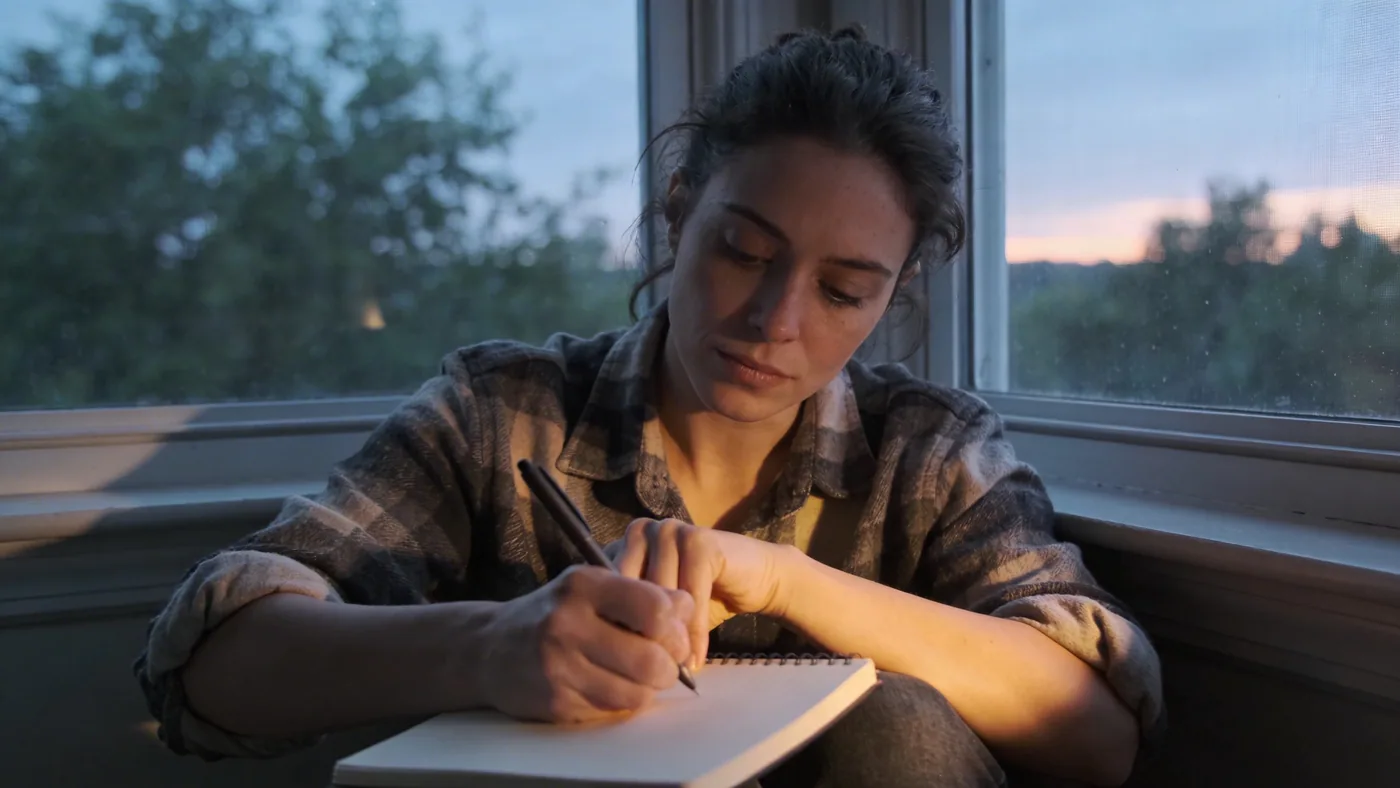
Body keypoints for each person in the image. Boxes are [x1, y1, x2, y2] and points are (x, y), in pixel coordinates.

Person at [135, 25, 1163, 788]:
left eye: (843, 290)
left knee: (891, 719)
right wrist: (487, 648)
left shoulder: (929, 451)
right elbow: (211, 665)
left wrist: (789, 581)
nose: (774, 320)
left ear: (893, 293)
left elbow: (1097, 735)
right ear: (679, 210)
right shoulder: (505, 415)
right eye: (743, 252)